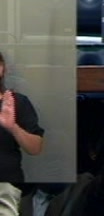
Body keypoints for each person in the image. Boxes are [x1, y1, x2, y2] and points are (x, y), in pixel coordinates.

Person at [0, 51, 44, 215]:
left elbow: (35, 148)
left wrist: (12, 127)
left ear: (2, 69)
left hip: (4, 185)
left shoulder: (17, 102)